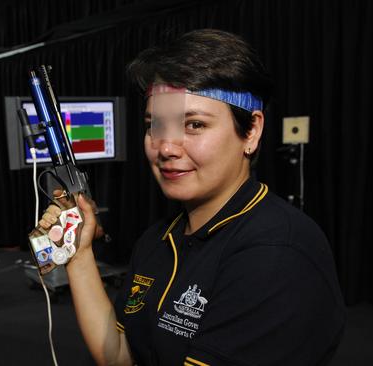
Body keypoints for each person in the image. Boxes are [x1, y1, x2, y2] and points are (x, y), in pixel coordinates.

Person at [38, 29, 346, 366]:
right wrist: (80, 256)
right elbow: (120, 357)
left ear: (251, 131)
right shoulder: (157, 240)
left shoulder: (277, 256)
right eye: (155, 124)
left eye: (195, 124)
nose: (167, 148)